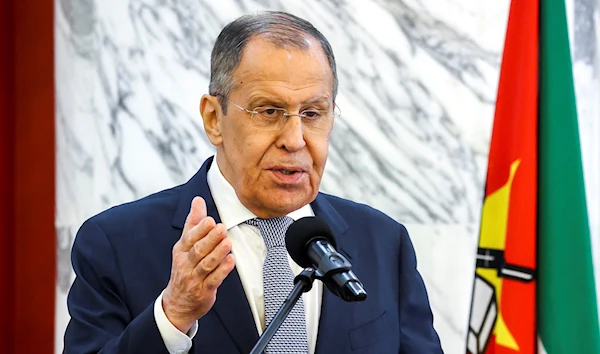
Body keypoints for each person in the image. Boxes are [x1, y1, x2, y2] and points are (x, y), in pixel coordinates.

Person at [64, 11, 443, 354]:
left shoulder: (382, 242)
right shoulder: (116, 243)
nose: (294, 139)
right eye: (269, 111)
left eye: (312, 113)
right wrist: (173, 315)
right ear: (214, 118)